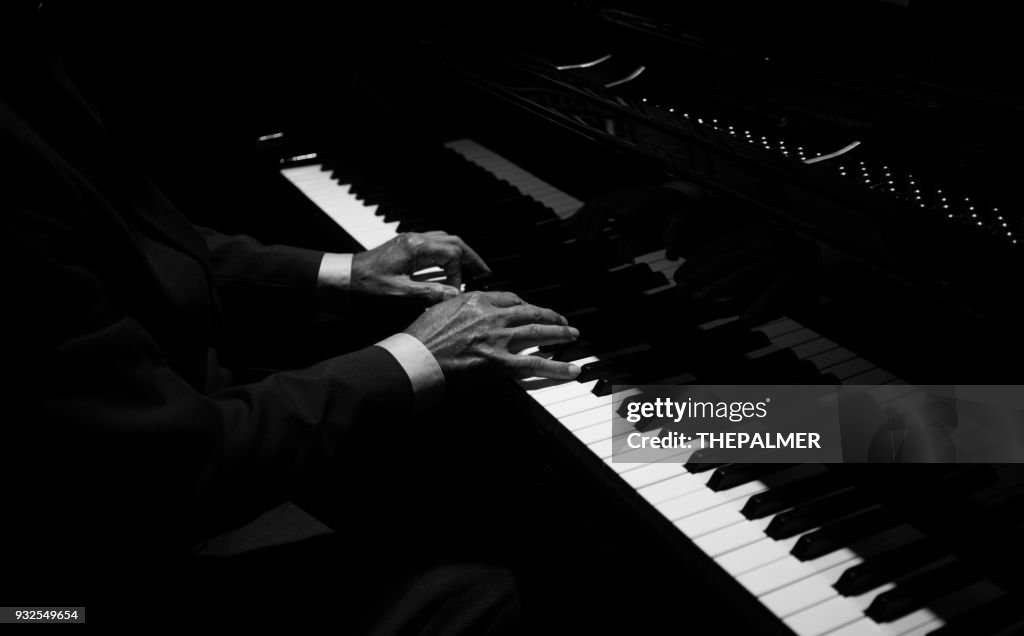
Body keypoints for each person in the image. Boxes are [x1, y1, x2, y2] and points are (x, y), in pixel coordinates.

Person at [0, 8, 580, 634]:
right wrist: (421, 355)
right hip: (60, 596)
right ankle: (699, 423)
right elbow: (164, 467)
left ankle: (694, 427)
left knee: (451, 451)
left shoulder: (18, 50)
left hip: (160, 457)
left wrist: (347, 271)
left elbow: (129, 245)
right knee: (502, 589)